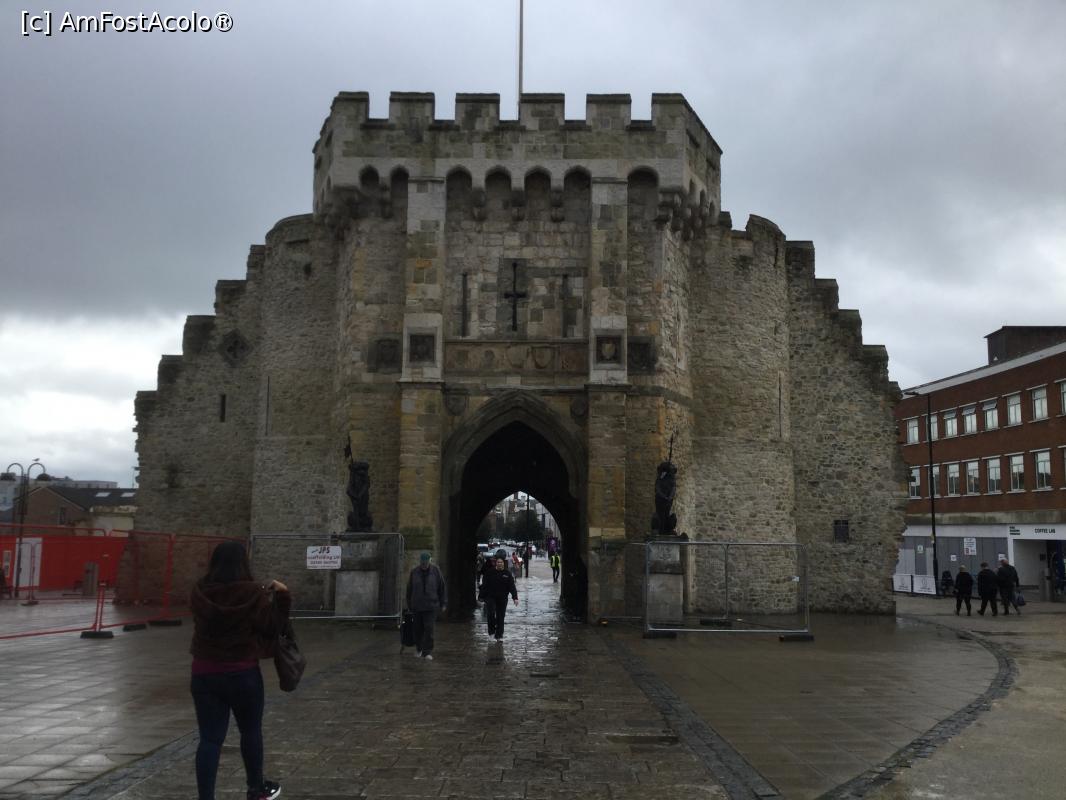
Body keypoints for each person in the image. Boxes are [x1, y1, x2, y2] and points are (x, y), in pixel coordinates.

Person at [189, 540, 289, 800]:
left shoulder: (200, 591)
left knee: (210, 739)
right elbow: (272, 627)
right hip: (242, 672)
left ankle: (205, 797)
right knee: (250, 730)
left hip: (204, 671)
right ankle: (256, 788)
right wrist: (283, 596)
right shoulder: (252, 593)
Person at [406, 552, 447, 660]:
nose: (424, 564)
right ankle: (419, 648)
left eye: (426, 562)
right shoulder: (414, 572)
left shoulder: (436, 571)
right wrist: (409, 604)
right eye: (422, 562)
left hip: (431, 605)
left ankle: (427, 651)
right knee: (417, 629)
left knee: (429, 628)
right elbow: (409, 589)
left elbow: (441, 587)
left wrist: (443, 603)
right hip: (417, 606)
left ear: (430, 561)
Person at [479, 549, 518, 641]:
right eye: (498, 562)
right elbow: (484, 585)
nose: (500, 564)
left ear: (503, 563)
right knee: (491, 614)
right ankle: (491, 632)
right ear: (496, 563)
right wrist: (481, 596)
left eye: (501, 562)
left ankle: (499, 635)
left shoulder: (507, 574)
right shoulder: (490, 573)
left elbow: (512, 587)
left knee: (501, 616)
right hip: (490, 597)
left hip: (502, 598)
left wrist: (515, 597)